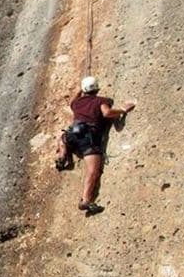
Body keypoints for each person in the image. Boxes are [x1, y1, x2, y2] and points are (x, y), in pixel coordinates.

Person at [55, 76, 135, 215]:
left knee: (62, 138)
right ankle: (85, 199)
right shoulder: (101, 101)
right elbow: (107, 113)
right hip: (88, 138)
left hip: (73, 134)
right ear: (97, 89)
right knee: (93, 171)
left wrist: (80, 88)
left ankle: (62, 154)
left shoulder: (76, 104)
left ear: (84, 90)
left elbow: (72, 100)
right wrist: (123, 109)